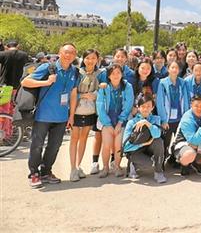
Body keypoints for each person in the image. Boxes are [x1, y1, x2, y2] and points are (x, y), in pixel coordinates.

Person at [23, 43, 79, 188]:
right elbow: (25, 81)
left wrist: (71, 116)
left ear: (75, 55)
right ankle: (34, 173)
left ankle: (46, 172)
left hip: (62, 117)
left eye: (72, 53)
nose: (69, 55)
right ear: (60, 53)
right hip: (43, 115)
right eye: (66, 52)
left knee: (54, 146)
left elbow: (73, 94)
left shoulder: (75, 72)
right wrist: (46, 82)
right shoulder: (48, 67)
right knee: (37, 145)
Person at [96, 64, 134, 178]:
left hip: (121, 119)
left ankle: (117, 166)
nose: (116, 75)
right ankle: (105, 167)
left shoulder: (127, 86)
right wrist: (107, 124)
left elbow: (128, 105)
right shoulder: (104, 87)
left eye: (118, 73)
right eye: (113, 73)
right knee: (106, 144)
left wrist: (120, 122)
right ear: (109, 76)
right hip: (107, 119)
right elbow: (100, 106)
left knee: (118, 145)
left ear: (122, 74)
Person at [68, 49, 101, 182]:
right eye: (87, 58)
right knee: (74, 138)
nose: (90, 61)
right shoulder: (77, 72)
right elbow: (71, 91)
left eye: (93, 58)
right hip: (76, 110)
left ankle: (78, 165)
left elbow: (102, 90)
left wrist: (95, 94)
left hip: (90, 110)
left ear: (97, 60)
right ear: (83, 59)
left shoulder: (100, 74)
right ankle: (72, 169)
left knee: (84, 138)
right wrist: (82, 96)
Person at [122, 94, 166, 183]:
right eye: (143, 106)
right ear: (138, 107)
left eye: (148, 106)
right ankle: (132, 164)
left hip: (149, 148)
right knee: (148, 164)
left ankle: (158, 172)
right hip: (135, 151)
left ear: (152, 107)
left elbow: (157, 135)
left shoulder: (156, 119)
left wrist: (147, 123)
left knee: (159, 141)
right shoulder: (131, 122)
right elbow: (125, 147)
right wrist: (143, 144)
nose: (145, 109)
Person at [156, 61, 190, 163]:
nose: (174, 70)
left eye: (177, 68)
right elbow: (160, 102)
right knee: (165, 142)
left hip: (180, 118)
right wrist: (163, 120)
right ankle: (161, 162)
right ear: (168, 69)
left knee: (179, 141)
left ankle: (175, 160)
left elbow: (186, 100)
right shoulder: (162, 83)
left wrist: (186, 117)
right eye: (172, 67)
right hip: (168, 120)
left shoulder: (183, 83)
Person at [174, 95, 201, 175]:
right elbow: (193, 141)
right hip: (183, 144)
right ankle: (184, 165)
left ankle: (197, 163)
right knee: (189, 154)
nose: (199, 108)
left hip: (200, 144)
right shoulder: (187, 118)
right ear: (191, 105)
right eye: (196, 106)